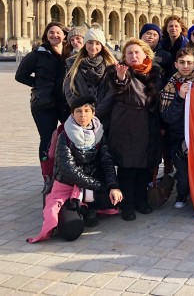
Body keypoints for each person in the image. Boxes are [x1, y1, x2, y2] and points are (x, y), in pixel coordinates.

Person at [27, 96, 123, 243]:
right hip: (68, 187)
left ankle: (87, 207)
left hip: (88, 186)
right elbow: (68, 170)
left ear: (93, 113)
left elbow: (107, 162)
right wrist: (99, 185)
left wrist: (113, 186)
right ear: (72, 114)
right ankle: (72, 207)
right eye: (78, 111)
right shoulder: (64, 135)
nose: (83, 115)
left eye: (86, 110)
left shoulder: (99, 133)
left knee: (116, 198)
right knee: (71, 232)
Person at [96, 38, 162, 221]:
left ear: (145, 54)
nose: (133, 56)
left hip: (148, 124)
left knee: (144, 167)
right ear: (124, 56)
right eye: (129, 53)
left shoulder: (155, 72)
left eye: (137, 52)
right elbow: (117, 88)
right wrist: (120, 78)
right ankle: (127, 204)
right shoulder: (117, 72)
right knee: (127, 168)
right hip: (126, 124)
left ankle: (141, 201)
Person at [15, 22, 70, 169]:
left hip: (66, 102)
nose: (54, 35)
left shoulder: (70, 54)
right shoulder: (37, 54)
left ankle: (67, 174)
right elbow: (20, 76)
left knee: (72, 136)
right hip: (44, 103)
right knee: (47, 139)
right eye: (51, 32)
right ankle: (48, 174)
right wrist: (40, 84)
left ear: (65, 35)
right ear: (46, 35)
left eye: (58, 32)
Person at [160, 49, 194, 209]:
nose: (185, 66)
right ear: (176, 64)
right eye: (182, 62)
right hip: (177, 137)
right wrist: (179, 98)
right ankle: (182, 195)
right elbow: (167, 116)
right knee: (182, 173)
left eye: (189, 62)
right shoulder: (169, 86)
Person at [64, 28, 116, 108]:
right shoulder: (72, 63)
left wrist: (102, 109)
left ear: (102, 46)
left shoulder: (110, 64)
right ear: (85, 44)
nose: (93, 46)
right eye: (90, 42)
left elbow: (112, 91)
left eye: (98, 43)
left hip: (104, 111)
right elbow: (68, 89)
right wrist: (79, 108)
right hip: (82, 113)